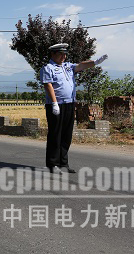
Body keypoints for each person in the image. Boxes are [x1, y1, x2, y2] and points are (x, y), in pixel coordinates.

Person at [40, 43, 108, 174]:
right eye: (60, 54)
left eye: (65, 54)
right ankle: (53, 164)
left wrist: (95, 62)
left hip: (69, 104)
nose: (63, 57)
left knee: (66, 135)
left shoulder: (67, 66)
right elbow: (48, 85)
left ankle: (63, 164)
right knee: (55, 134)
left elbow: (81, 65)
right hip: (56, 105)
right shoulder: (48, 68)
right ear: (53, 54)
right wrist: (54, 103)